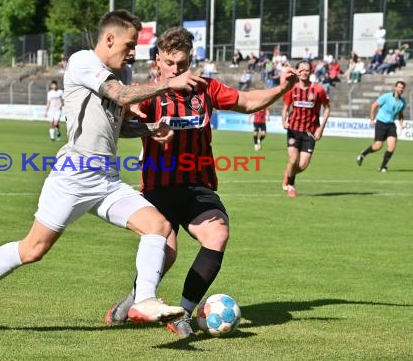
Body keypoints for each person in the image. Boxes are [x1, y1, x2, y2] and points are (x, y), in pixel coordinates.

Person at [0, 10, 208, 333]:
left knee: (159, 227)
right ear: (109, 39)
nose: (134, 51)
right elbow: (120, 96)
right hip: (74, 176)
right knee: (33, 249)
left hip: (106, 180)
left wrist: (150, 129)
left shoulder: (116, 74)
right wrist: (168, 84)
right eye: (130, 44)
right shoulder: (83, 62)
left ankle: (144, 300)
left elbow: (115, 127)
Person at [104, 26, 298, 338]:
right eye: (169, 63)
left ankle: (183, 313)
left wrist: (281, 89)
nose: (175, 70)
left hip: (197, 187)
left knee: (217, 233)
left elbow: (247, 101)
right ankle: (133, 299)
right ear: (158, 61)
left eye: (181, 64)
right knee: (165, 255)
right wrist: (138, 113)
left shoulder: (206, 89)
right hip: (158, 189)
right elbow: (123, 112)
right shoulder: (152, 93)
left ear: (190, 60)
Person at [281, 60, 331, 198]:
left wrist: (321, 128)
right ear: (297, 71)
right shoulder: (292, 89)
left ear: (311, 72)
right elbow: (285, 108)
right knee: (293, 160)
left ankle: (288, 173)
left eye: (307, 70)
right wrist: (284, 121)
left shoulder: (318, 90)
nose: (304, 72)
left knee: (302, 165)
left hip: (310, 132)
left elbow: (327, 108)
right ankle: (291, 185)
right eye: (301, 70)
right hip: (294, 130)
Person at [356, 81, 406, 172]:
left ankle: (383, 166)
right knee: (378, 146)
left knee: (392, 146)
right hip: (381, 123)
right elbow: (374, 105)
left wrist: (401, 123)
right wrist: (372, 119)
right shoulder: (386, 97)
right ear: (395, 87)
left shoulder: (403, 102)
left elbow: (400, 114)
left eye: (402, 88)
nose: (401, 89)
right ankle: (363, 154)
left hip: (391, 125)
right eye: (399, 87)